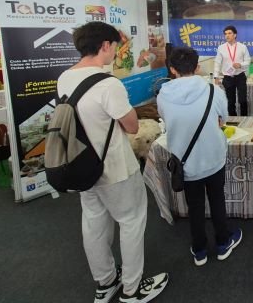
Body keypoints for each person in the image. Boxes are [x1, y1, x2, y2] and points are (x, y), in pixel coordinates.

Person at [56, 22, 169, 303]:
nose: (116, 53)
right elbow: (131, 126)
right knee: (131, 221)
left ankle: (105, 281)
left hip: (80, 165)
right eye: (115, 47)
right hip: (114, 167)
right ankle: (132, 288)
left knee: (93, 223)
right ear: (105, 45)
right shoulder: (108, 83)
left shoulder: (64, 78)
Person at [157, 46, 242, 267]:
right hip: (213, 157)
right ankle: (223, 243)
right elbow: (223, 120)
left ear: (172, 69)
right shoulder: (214, 91)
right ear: (197, 67)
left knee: (194, 206)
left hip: (185, 162)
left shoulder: (163, 95)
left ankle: (200, 250)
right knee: (217, 200)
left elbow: (167, 122)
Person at [214, 25, 251, 116]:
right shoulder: (221, 48)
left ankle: (244, 118)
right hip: (228, 77)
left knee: (242, 100)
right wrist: (216, 76)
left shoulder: (242, 47)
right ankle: (232, 120)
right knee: (230, 101)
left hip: (240, 77)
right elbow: (217, 63)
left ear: (235, 35)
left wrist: (240, 65)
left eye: (230, 33)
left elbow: (248, 60)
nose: (227, 35)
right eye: (225, 34)